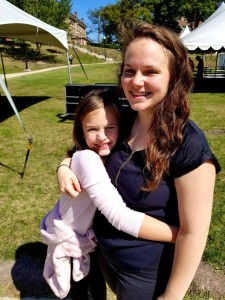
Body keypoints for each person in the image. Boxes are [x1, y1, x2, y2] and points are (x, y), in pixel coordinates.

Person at [57, 23, 220, 300]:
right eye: (129, 71)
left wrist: (171, 296)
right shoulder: (122, 118)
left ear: (174, 77)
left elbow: (193, 234)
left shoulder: (188, 144)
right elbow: (85, 147)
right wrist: (64, 165)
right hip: (102, 256)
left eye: (151, 72)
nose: (136, 81)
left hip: (144, 276)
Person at [41, 89, 178, 300]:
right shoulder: (89, 159)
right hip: (74, 247)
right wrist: (181, 235)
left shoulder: (104, 153)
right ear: (81, 131)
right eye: (92, 129)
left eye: (110, 128)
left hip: (88, 242)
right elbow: (119, 215)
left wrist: (63, 165)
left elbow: (73, 156)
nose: (102, 137)